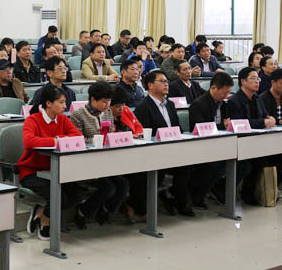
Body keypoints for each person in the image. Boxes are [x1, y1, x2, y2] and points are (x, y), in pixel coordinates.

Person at [19, 85, 83, 240]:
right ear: (48, 103)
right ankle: (45, 220)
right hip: (32, 171)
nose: (65, 106)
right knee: (59, 196)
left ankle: (41, 212)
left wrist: (57, 140)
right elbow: (29, 141)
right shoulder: (33, 120)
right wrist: (57, 141)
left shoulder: (63, 119)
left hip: (57, 169)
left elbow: (77, 136)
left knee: (77, 193)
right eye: (61, 102)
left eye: (65, 102)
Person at [133, 70, 193, 216]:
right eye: (162, 81)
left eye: (167, 81)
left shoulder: (170, 104)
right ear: (150, 85)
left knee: (190, 164)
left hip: (173, 149)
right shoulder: (143, 107)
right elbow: (146, 135)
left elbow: (178, 129)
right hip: (154, 152)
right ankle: (168, 199)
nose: (166, 84)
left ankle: (178, 200)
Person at [70, 81, 130, 227]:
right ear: (93, 99)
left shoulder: (107, 112)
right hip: (86, 162)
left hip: (106, 161)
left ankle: (105, 210)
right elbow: (77, 141)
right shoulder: (78, 115)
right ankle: (83, 211)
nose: (107, 105)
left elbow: (110, 134)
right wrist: (97, 140)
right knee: (108, 187)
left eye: (109, 101)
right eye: (104, 101)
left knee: (123, 184)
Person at [189, 72, 250, 207]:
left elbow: (229, 123)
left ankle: (220, 190)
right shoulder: (198, 104)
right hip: (203, 146)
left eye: (228, 92)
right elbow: (199, 128)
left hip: (223, 144)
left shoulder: (224, 104)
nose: (226, 96)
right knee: (216, 165)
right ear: (213, 88)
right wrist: (223, 126)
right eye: (224, 92)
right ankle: (197, 196)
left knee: (245, 164)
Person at [223, 67, 276, 204]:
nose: (257, 81)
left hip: (257, 140)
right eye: (253, 78)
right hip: (240, 142)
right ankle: (233, 192)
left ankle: (254, 193)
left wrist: (270, 119)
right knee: (252, 162)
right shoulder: (234, 101)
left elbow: (265, 116)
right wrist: (263, 122)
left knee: (270, 158)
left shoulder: (257, 98)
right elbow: (240, 124)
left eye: (258, 78)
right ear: (243, 81)